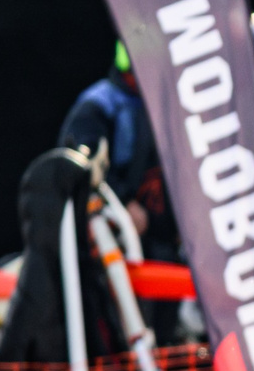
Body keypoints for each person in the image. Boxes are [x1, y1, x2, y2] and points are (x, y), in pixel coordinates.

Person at [58, 42, 171, 254]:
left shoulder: (168, 100)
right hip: (122, 240)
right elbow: (79, 166)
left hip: (166, 239)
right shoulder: (98, 105)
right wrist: (124, 203)